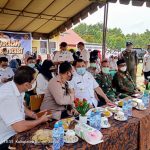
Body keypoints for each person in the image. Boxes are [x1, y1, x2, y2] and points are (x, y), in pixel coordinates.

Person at [0, 66, 49, 150]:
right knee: (41, 145)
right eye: (34, 80)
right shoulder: (8, 96)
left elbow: (21, 105)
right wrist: (40, 120)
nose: (35, 82)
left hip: (15, 131)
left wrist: (34, 115)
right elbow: (19, 127)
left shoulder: (17, 87)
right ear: (26, 84)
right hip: (6, 139)